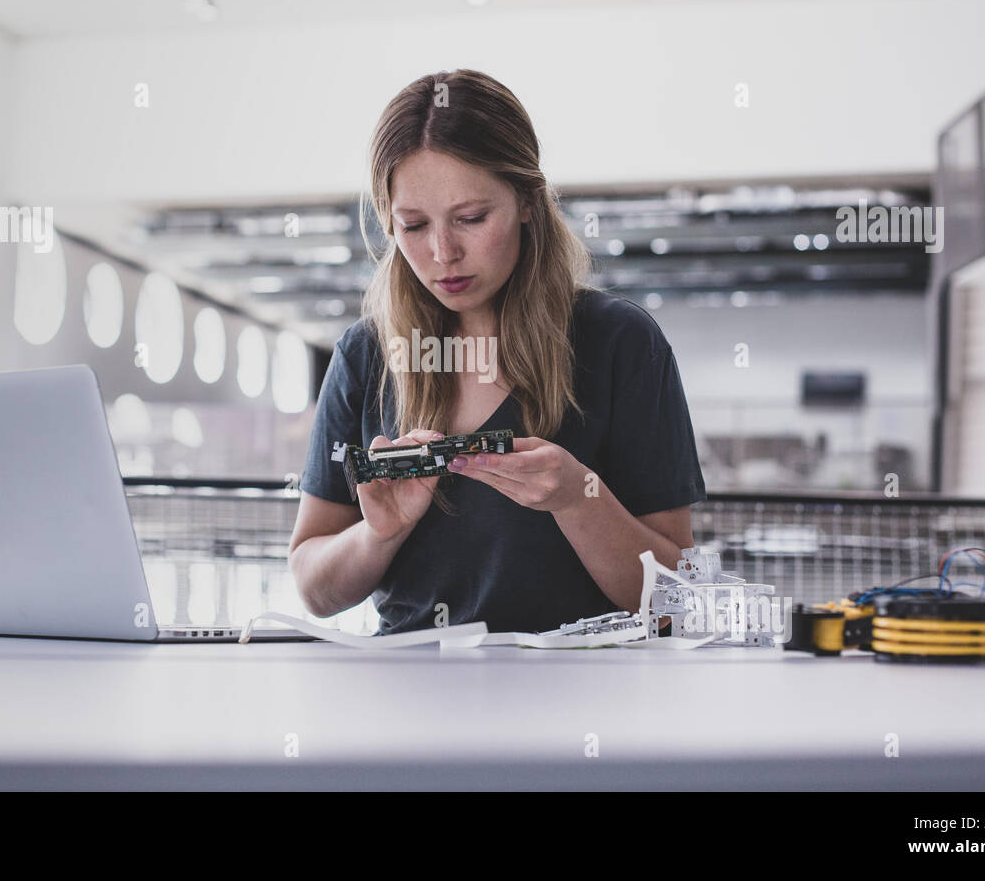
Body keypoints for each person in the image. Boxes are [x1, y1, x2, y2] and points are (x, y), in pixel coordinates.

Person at [290, 69, 705, 635]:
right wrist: (378, 534)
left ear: (529, 202)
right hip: (409, 699)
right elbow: (314, 590)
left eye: (471, 218)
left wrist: (578, 500)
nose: (443, 253)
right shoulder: (366, 355)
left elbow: (674, 598)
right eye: (412, 225)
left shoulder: (619, 343)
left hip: (586, 701)